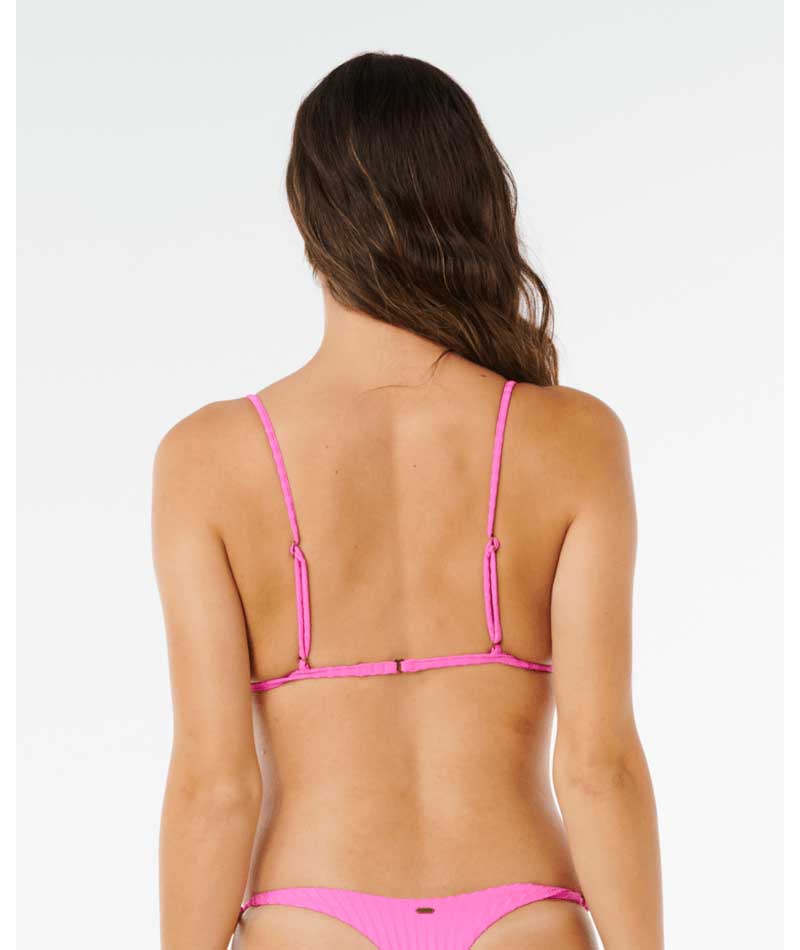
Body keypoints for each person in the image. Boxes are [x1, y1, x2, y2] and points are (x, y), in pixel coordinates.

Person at [153, 52, 663, 950]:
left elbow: (215, 787)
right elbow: (598, 767)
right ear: (476, 201)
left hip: (309, 918)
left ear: (309, 216)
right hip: (523, 917)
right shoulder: (574, 439)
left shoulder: (208, 459)